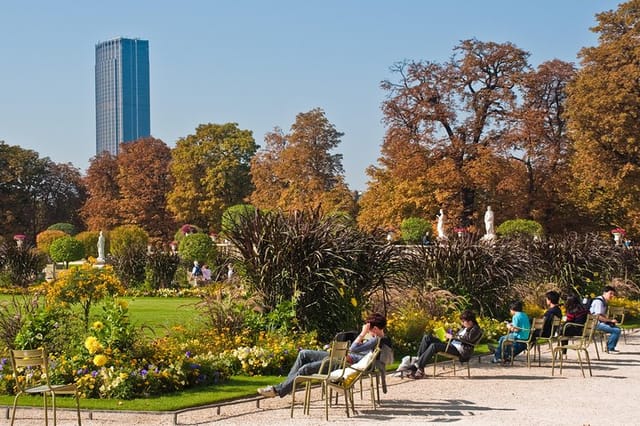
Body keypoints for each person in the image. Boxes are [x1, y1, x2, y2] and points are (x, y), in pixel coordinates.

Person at [257, 313, 389, 398]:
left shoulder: (376, 340)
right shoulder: (376, 338)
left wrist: (362, 334)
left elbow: (354, 349)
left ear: (375, 329)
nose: (367, 330)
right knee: (304, 354)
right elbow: (357, 350)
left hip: (344, 363)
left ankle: (277, 390)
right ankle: (288, 386)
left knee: (305, 369)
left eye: (369, 328)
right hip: (341, 357)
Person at [405, 310, 482, 379]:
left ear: (470, 321)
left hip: (460, 351)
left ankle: (416, 367)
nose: (462, 323)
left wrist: (453, 337)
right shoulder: (464, 328)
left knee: (434, 346)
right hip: (452, 345)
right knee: (427, 337)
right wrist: (448, 336)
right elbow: (458, 337)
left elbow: (467, 339)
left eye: (463, 321)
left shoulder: (476, 329)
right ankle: (419, 365)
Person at [589, 285, 621, 353]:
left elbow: (601, 315)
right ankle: (610, 348)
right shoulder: (599, 301)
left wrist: (609, 321)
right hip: (595, 323)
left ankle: (609, 346)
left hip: (599, 322)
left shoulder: (604, 301)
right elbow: (598, 316)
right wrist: (610, 320)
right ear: (604, 293)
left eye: (613, 294)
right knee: (616, 330)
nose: (612, 295)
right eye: (610, 293)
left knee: (617, 329)